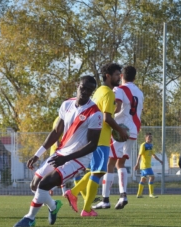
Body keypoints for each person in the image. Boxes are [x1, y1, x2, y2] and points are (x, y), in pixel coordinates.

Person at [14, 76, 102, 227]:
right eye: (83, 87)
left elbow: (92, 145)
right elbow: (56, 132)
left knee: (45, 184)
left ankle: (29, 219)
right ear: (77, 85)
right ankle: (54, 206)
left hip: (78, 159)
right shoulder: (66, 104)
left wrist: (67, 158)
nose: (86, 91)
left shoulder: (95, 113)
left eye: (89, 90)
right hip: (61, 153)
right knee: (34, 185)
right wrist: (37, 154)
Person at [65, 63, 128, 216]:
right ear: (108, 76)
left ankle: (77, 197)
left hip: (94, 137)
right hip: (101, 138)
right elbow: (106, 117)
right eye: (116, 74)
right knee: (98, 172)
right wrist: (120, 130)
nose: (119, 77)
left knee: (95, 171)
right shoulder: (108, 92)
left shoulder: (99, 91)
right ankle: (82, 204)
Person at [94, 65, 144, 210]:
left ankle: (106, 199)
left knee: (109, 164)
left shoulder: (119, 90)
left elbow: (118, 107)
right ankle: (123, 195)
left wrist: (109, 114)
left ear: (122, 76)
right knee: (120, 164)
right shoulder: (139, 92)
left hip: (120, 129)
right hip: (133, 130)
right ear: (134, 77)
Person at [135, 132, 163, 198]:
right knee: (152, 177)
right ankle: (151, 194)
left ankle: (139, 194)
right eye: (149, 137)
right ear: (146, 138)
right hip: (145, 165)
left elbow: (153, 155)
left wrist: (159, 160)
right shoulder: (143, 145)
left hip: (147, 165)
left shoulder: (151, 145)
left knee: (143, 179)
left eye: (151, 137)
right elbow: (139, 155)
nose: (150, 138)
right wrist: (137, 164)